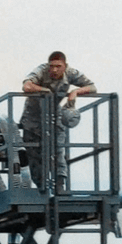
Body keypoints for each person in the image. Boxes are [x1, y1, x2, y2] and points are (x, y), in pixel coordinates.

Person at [19, 51, 95, 191]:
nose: (54, 70)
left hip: (54, 116)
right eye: (52, 66)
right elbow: (27, 86)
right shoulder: (41, 71)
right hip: (33, 120)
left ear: (65, 66)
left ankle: (60, 187)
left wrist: (75, 92)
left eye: (58, 66)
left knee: (58, 150)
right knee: (35, 157)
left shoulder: (71, 73)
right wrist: (44, 90)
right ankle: (42, 189)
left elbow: (92, 87)